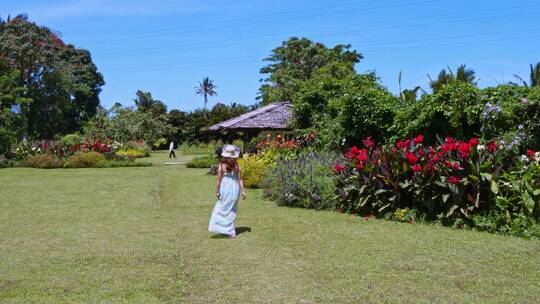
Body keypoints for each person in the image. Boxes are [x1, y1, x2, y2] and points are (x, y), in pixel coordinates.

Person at [208, 145, 246, 238]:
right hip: (225, 189)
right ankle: (225, 229)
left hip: (234, 189)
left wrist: (243, 191)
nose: (232, 159)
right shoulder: (222, 165)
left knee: (232, 209)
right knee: (222, 208)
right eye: (230, 158)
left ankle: (231, 231)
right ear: (226, 157)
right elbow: (219, 180)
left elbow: (239, 179)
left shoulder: (237, 166)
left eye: (233, 157)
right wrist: (217, 191)